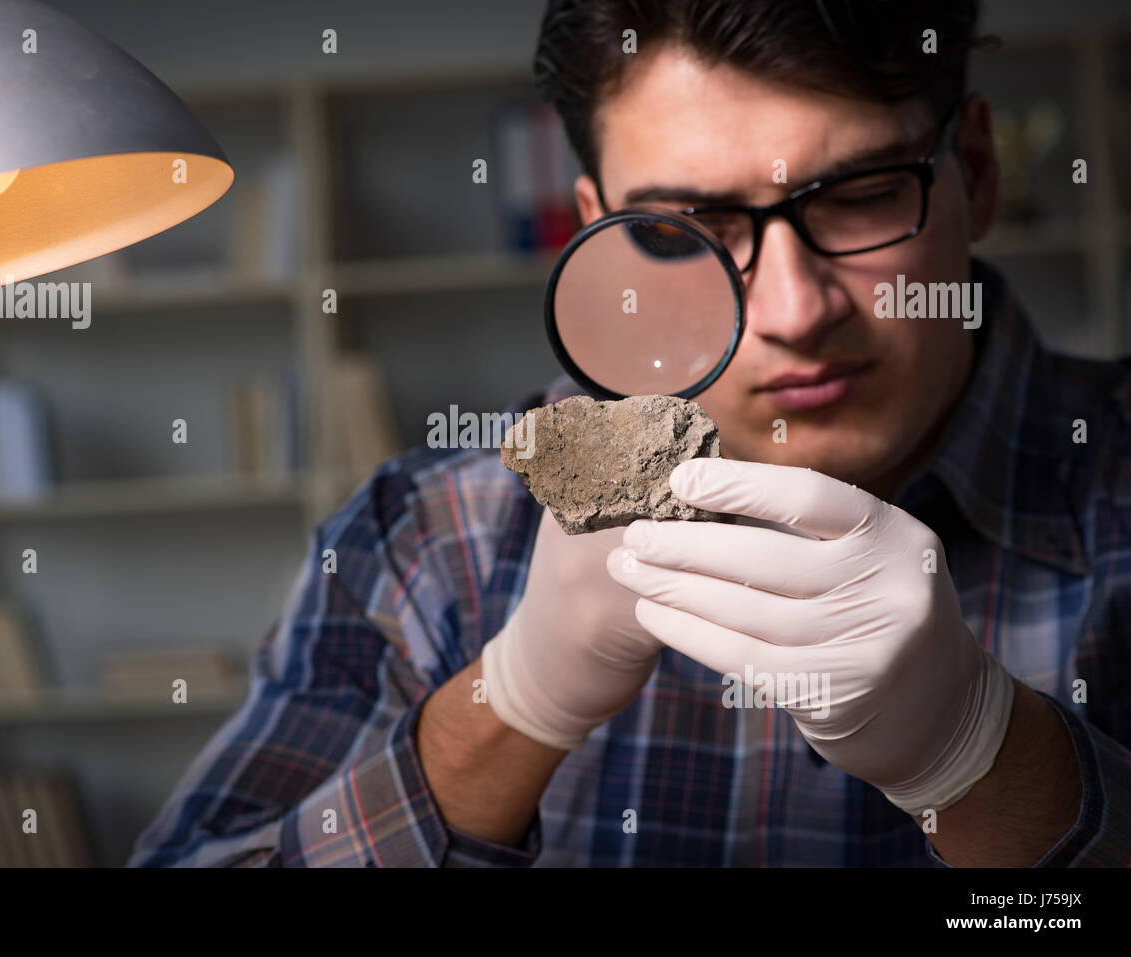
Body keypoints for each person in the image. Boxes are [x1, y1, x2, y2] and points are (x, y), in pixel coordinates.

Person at [130, 0, 1131, 867]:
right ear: (598, 234)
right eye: (683, 230)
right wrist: (505, 711)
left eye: (863, 194)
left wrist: (990, 761)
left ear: (975, 170)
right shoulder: (426, 541)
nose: (792, 309)